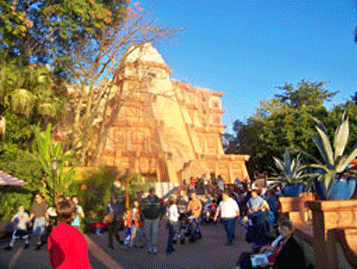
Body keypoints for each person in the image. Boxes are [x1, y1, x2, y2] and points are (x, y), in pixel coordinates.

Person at [235, 219, 307, 269]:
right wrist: (266, 248)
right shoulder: (282, 240)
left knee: (248, 263)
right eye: (281, 229)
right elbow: (276, 248)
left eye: (284, 230)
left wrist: (269, 264)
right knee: (245, 255)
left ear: (291, 231)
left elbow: (284, 263)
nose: (281, 231)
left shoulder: (291, 246)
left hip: (273, 263)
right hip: (268, 259)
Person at [48, 199, 91, 269]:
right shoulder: (76, 235)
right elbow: (83, 262)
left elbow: (52, 256)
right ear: (73, 215)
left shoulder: (53, 233)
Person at [141, 187, 164, 254]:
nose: (152, 193)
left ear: (154, 192)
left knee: (154, 233)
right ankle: (150, 247)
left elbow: (162, 209)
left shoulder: (158, 200)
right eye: (151, 192)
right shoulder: (145, 200)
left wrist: (159, 218)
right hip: (147, 219)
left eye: (153, 192)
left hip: (155, 219)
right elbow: (142, 209)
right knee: (148, 233)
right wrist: (144, 218)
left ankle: (154, 247)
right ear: (149, 192)